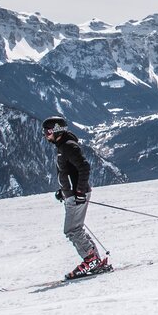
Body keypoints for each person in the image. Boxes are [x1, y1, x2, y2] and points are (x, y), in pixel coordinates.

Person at [42, 115, 110, 279]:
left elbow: (84, 167)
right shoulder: (62, 146)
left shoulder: (68, 146)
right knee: (75, 229)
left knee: (72, 230)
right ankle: (94, 260)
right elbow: (69, 172)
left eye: (48, 132)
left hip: (77, 195)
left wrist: (79, 192)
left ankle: (91, 260)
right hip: (72, 194)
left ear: (58, 131)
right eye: (45, 132)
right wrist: (63, 190)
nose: (46, 135)